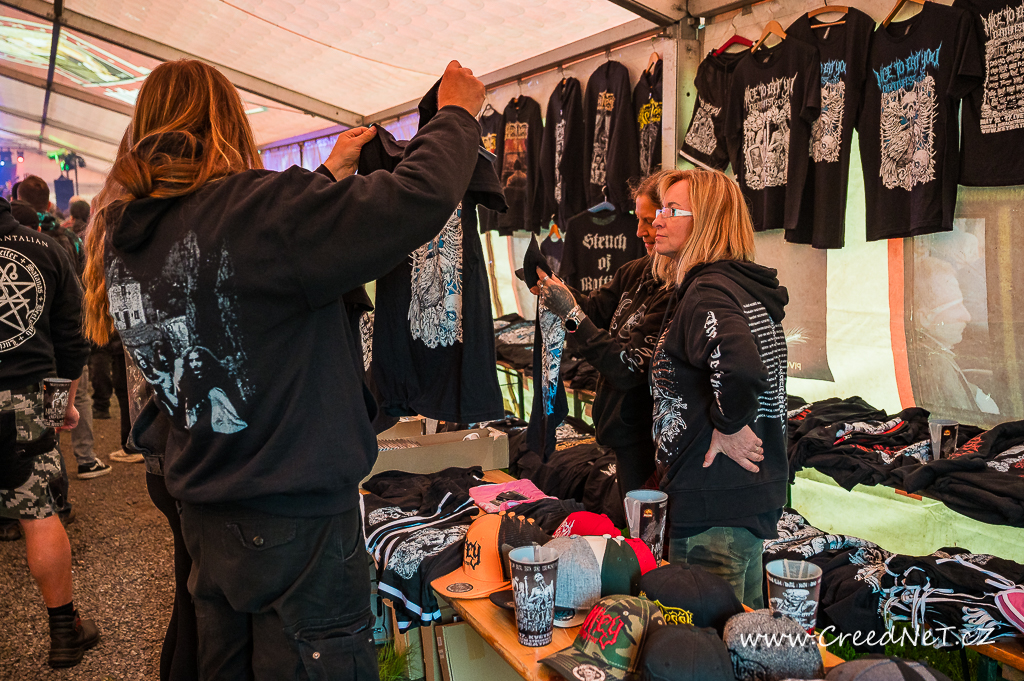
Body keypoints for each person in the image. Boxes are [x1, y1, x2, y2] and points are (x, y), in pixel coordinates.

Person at [82, 58, 485, 679]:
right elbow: (416, 199)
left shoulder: (132, 232)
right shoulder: (255, 212)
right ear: (228, 123)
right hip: (296, 524)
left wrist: (324, 180)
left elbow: (242, 279)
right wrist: (455, 115)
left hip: (208, 512)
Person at [647, 168, 789, 609]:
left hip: (713, 507)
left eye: (673, 210)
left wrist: (728, 425)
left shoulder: (708, 292)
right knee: (742, 636)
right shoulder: (737, 287)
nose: (658, 219)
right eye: (660, 209)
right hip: (737, 501)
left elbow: (741, 367)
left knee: (703, 639)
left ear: (707, 221)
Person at [532, 171, 676, 508]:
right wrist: (558, 290)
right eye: (638, 219)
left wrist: (569, 313)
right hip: (622, 429)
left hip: (650, 434)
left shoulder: (679, 290)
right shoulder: (636, 271)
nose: (640, 231)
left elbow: (627, 367)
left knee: (648, 524)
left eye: (648, 220)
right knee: (634, 519)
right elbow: (596, 309)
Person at [0, 196, 99, 667]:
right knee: (38, 513)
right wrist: (63, 409)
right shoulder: (44, 248)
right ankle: (64, 634)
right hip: (24, 400)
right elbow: (70, 340)